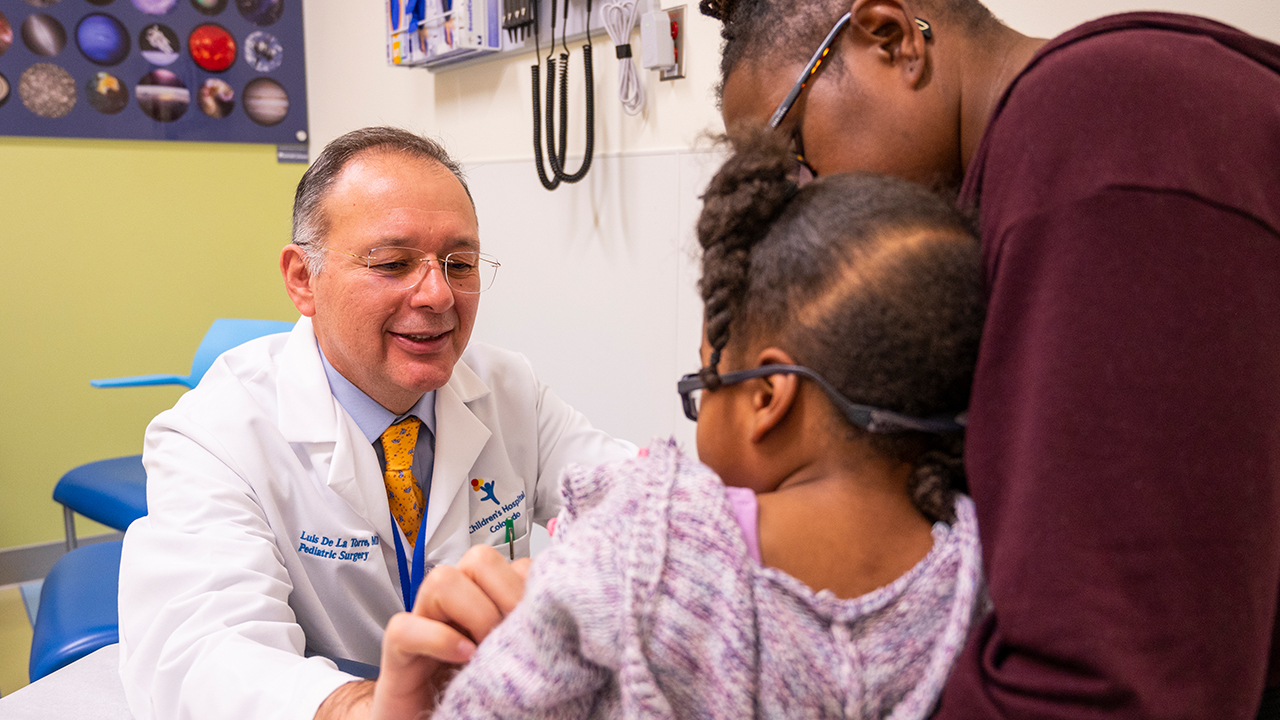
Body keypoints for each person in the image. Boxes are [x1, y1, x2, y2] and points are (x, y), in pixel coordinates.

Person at [703, 0, 1280, 718]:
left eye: (796, 151)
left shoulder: (1104, 130)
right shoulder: (1029, 178)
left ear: (892, 38)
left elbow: (1109, 686)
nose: (805, 195)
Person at [372, 131, 990, 718]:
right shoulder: (978, 573)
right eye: (394, 264)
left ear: (769, 397)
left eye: (704, 380)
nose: (435, 295)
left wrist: (602, 553)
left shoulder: (640, 548)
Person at [116, 126, 636, 720]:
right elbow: (200, 650)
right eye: (393, 263)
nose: (438, 294)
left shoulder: (510, 390)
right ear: (302, 279)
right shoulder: (216, 435)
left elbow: (633, 502)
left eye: (459, 263)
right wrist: (365, 708)